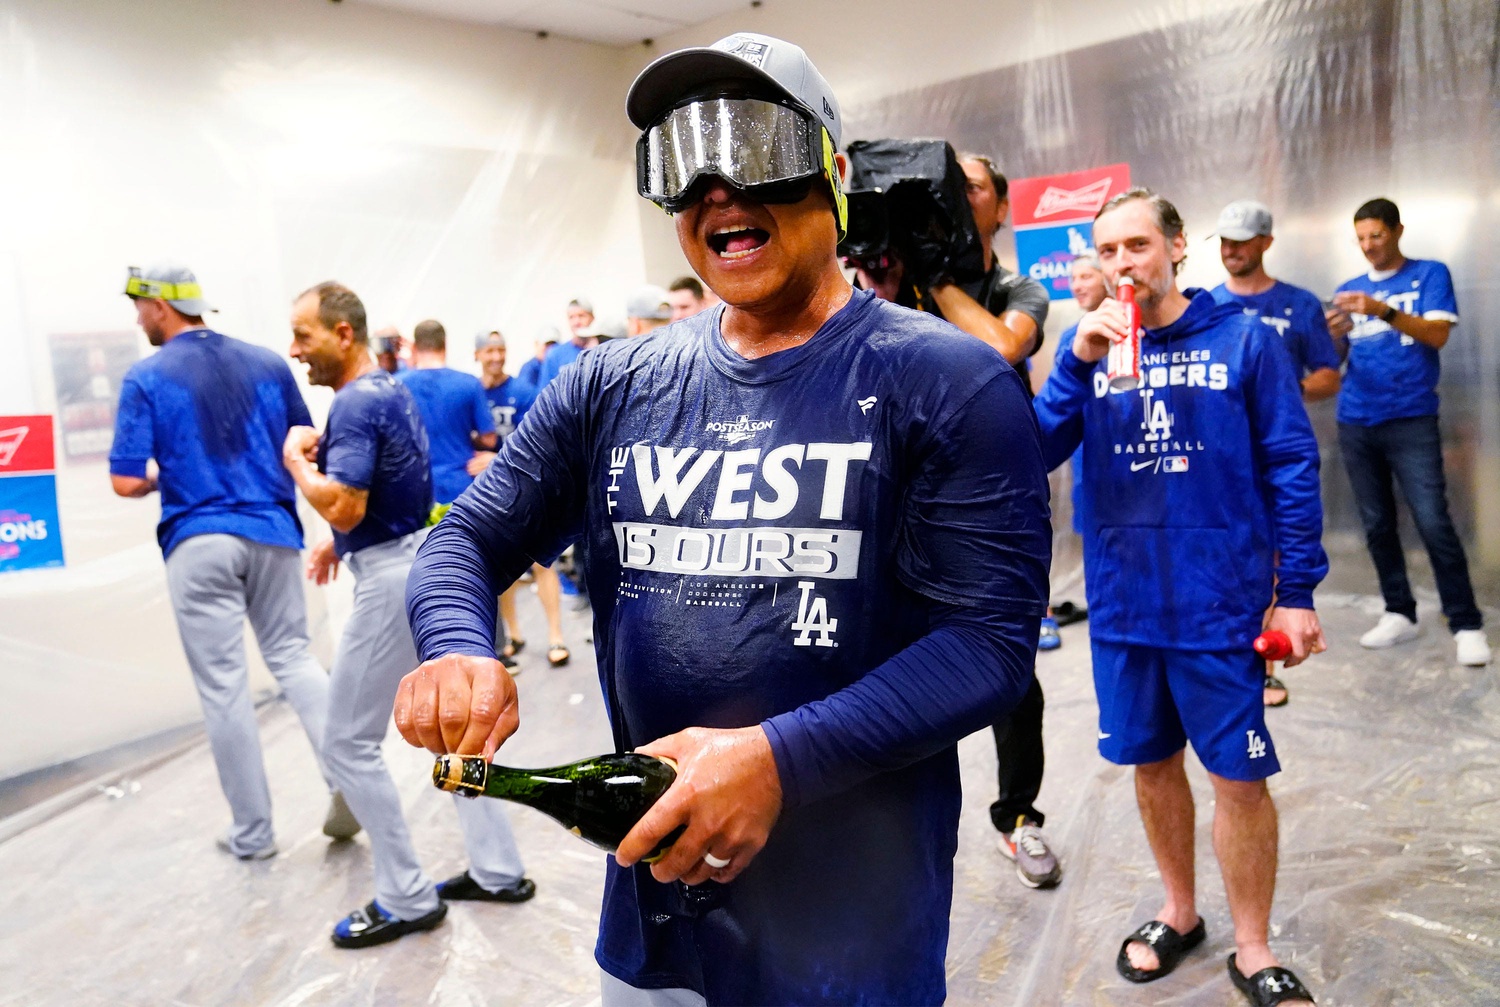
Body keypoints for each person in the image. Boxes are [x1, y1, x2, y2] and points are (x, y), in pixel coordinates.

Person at [393, 32, 1050, 1007]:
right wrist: (455, 642)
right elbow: (466, 538)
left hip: (853, 935)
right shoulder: (614, 382)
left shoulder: (947, 379)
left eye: (754, 146)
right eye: (680, 158)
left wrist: (779, 758)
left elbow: (989, 643)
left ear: (832, 171)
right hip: (657, 920)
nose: (717, 187)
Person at [1034, 188, 1323, 1006]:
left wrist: (1294, 591)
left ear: (1175, 247)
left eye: (1137, 245)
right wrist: (1073, 364)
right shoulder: (1089, 347)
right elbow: (1032, 448)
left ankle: (1255, 946)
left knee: (1237, 778)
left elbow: (1293, 466)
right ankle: (1179, 909)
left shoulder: (1243, 340)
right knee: (1153, 765)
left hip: (1220, 604)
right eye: (1108, 251)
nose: (1123, 263)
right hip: (1125, 605)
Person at [283, 282, 534, 950]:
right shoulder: (387, 388)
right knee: (454, 728)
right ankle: (499, 869)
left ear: (342, 333)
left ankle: (405, 895)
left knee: (346, 742)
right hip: (414, 557)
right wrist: (339, 540)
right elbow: (375, 498)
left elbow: (346, 504)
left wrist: (296, 467)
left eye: (303, 334)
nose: (294, 349)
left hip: (392, 577)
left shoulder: (359, 401)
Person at [109, 263, 356, 861]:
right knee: (296, 659)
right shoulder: (269, 362)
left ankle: (253, 833)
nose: (137, 317)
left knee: (224, 689)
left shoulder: (147, 375)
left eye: (139, 306)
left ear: (160, 306)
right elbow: (307, 439)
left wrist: (163, 475)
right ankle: (349, 783)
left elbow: (123, 479)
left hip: (199, 539)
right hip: (272, 529)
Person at [1328, 197, 1490, 667]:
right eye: (1360, 239)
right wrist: (1332, 333)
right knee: (1377, 523)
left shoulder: (1429, 274)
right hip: (1357, 418)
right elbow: (1337, 358)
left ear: (1398, 231)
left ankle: (1466, 622)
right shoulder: (1348, 289)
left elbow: (1437, 335)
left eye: (1376, 235)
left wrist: (1382, 310)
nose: (1368, 246)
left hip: (1412, 416)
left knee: (1433, 520)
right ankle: (1399, 611)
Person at [1208, 199, 1345, 707]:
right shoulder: (1207, 305)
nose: (1231, 250)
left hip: (1276, 451)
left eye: (1241, 240)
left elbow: (1329, 374)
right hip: (1219, 460)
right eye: (1223, 241)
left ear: (1266, 242)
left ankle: (1265, 664)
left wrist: (1279, 393)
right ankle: (1227, 658)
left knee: (1277, 553)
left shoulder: (1300, 304)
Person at [470, 330, 569, 668]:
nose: (496, 356)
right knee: (502, 569)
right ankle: (514, 633)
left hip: (528, 490)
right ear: (477, 355)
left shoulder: (524, 393)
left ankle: (556, 636)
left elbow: (541, 442)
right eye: (489, 351)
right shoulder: (473, 394)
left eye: (501, 349)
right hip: (491, 496)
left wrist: (495, 457)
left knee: (544, 563)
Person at [395, 319, 496, 506]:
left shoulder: (397, 386)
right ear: (445, 344)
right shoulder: (469, 384)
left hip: (414, 488)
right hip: (461, 486)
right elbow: (489, 439)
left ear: (415, 347)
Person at [537, 297, 598, 390]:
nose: (576, 322)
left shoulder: (604, 349)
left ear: (592, 318)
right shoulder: (555, 355)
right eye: (571, 317)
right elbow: (543, 396)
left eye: (581, 316)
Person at [517, 324, 558, 388]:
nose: (550, 349)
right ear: (536, 344)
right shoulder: (528, 369)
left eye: (553, 345)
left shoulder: (559, 366)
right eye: (547, 345)